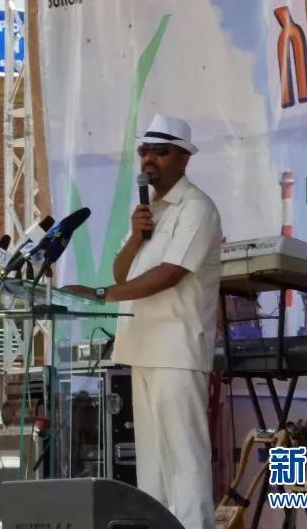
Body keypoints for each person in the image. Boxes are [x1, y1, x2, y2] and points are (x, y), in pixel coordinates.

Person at [62, 114, 221, 529]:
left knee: (185, 460)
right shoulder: (149, 212)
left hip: (177, 350)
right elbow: (121, 274)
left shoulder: (197, 208)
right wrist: (135, 237)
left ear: (183, 158)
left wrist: (99, 295)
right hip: (142, 348)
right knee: (152, 464)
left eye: (160, 152)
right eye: (144, 151)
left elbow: (170, 274)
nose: (149, 159)